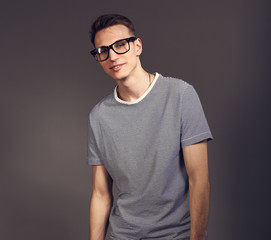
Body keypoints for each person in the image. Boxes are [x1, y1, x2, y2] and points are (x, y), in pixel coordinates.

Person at [87, 14, 213, 240]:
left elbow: (199, 181)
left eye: (120, 45)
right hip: (122, 234)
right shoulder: (99, 116)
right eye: (103, 51)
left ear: (137, 46)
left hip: (175, 235)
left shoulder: (181, 95)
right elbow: (100, 194)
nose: (112, 56)